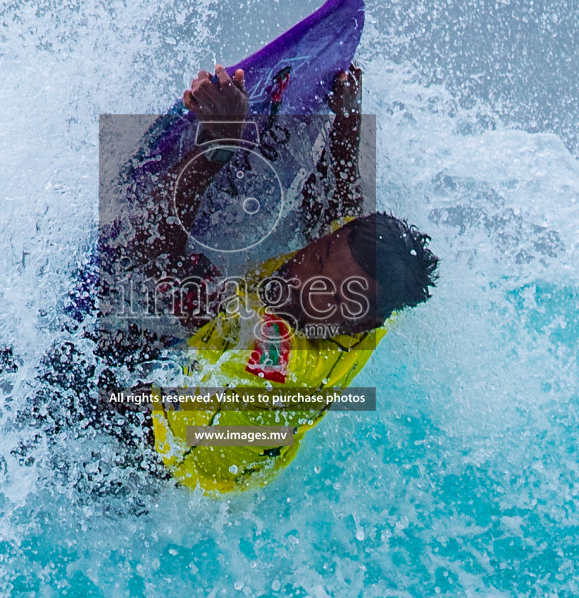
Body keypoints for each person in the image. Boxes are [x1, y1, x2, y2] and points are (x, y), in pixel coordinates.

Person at [95, 62, 439, 493]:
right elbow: (337, 205)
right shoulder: (372, 299)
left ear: (358, 323)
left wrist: (218, 145)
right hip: (253, 450)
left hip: (163, 469)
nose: (301, 279)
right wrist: (347, 117)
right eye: (318, 254)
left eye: (328, 296)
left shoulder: (272, 347)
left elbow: (146, 255)